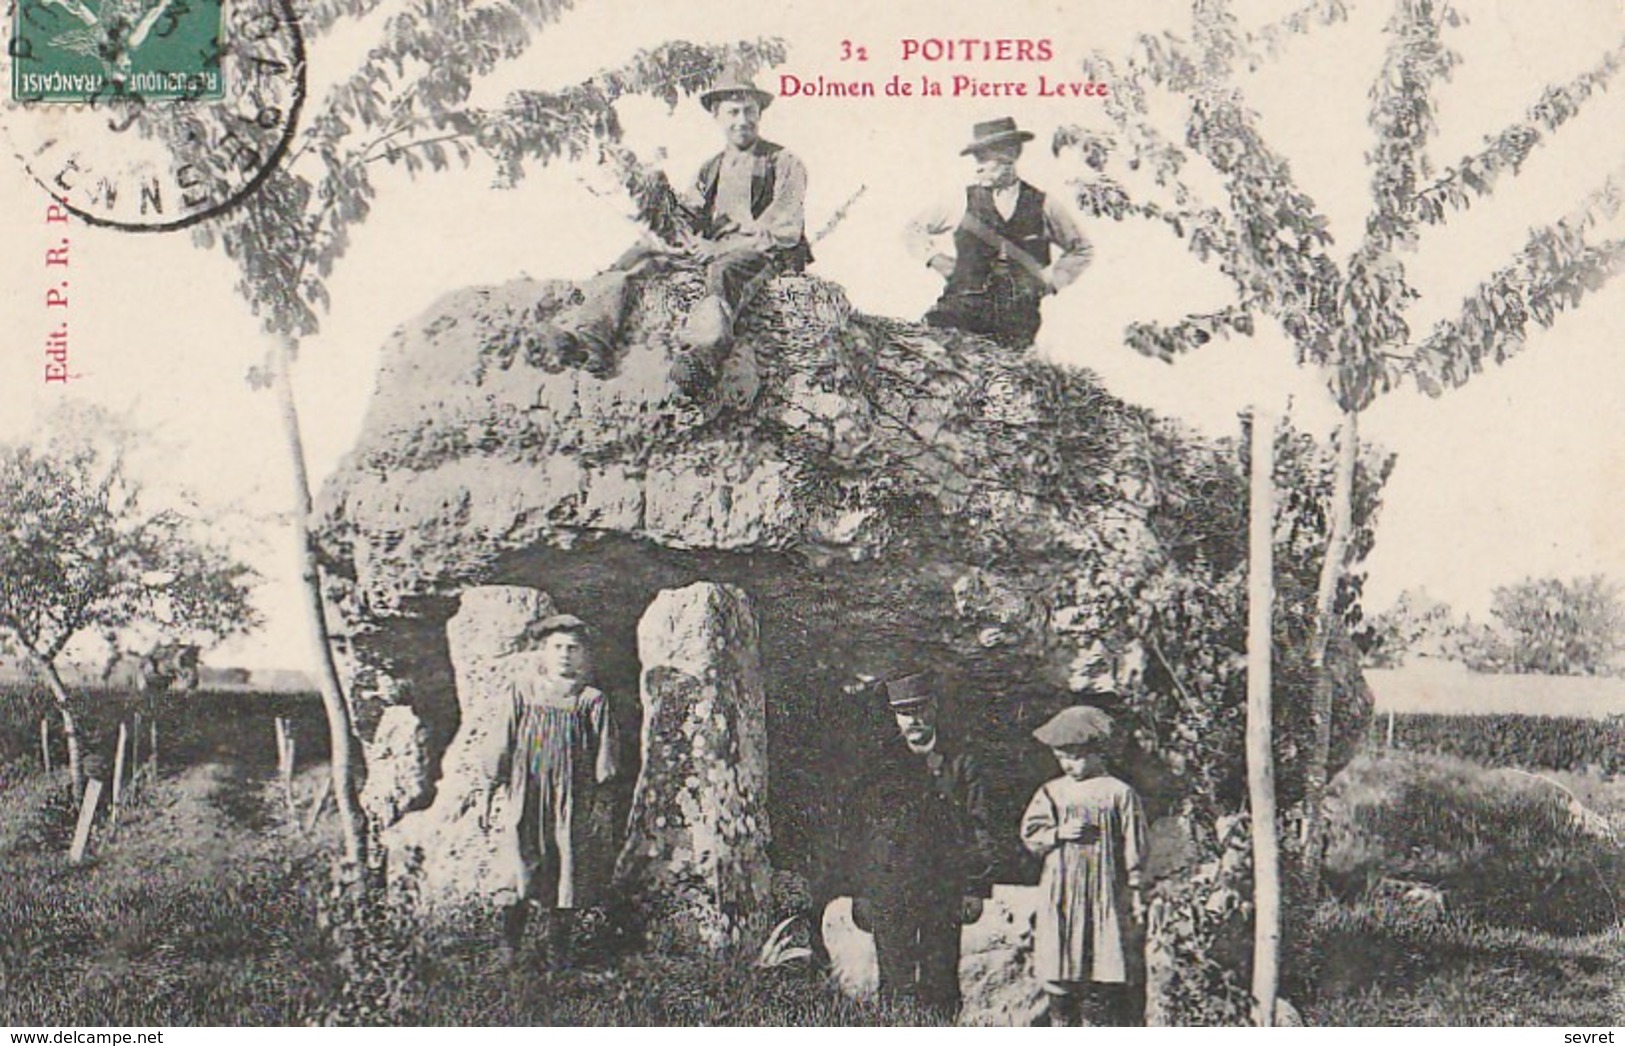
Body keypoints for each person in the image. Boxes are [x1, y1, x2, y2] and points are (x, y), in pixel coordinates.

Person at [551, 70, 811, 394]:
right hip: (712, 248)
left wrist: (721, 248)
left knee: (725, 272)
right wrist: (671, 219)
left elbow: (784, 228)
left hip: (760, 254)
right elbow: (689, 213)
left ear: (760, 113)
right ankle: (590, 338)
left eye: (749, 111)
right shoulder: (711, 167)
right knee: (641, 256)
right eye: (733, 112)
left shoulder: (784, 162)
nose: (742, 120)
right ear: (717, 116)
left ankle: (703, 354)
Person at [849, 672, 996, 1020]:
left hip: (942, 887)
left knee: (941, 980)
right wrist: (861, 892)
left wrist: (975, 888)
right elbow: (859, 833)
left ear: (935, 707)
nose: (913, 720)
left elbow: (978, 827)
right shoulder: (881, 765)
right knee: (895, 980)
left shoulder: (960, 764)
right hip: (890, 886)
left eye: (920, 709)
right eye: (904, 712)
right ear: (894, 716)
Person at [487, 613, 620, 967]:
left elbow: (605, 757)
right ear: (543, 652)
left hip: (570, 799)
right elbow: (502, 739)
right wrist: (492, 780)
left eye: (573, 648)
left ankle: (558, 953)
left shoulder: (591, 700)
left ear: (583, 655)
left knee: (566, 867)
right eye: (557, 647)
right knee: (519, 862)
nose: (564, 654)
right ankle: (508, 948)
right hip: (526, 793)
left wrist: (600, 797)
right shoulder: (522, 691)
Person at [905, 116, 1093, 349]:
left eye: (985, 157)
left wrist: (1052, 281)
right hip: (958, 315)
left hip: (1016, 324)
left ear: (1011, 154)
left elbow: (1082, 249)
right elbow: (913, 229)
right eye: (976, 158)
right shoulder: (961, 199)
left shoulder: (1043, 204)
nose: (979, 165)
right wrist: (934, 258)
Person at [1020, 705, 1148, 1026]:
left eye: (1075, 756)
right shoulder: (1052, 792)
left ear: (1096, 751)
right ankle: (1062, 1021)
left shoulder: (1119, 793)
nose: (1068, 765)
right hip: (1061, 888)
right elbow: (1031, 833)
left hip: (1104, 887)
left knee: (1102, 960)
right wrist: (1058, 833)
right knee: (1060, 959)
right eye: (1061, 757)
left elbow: (1135, 844)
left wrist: (1134, 886)